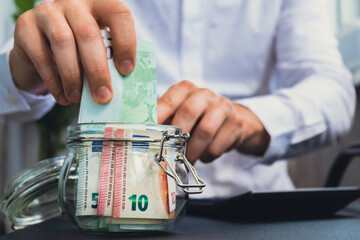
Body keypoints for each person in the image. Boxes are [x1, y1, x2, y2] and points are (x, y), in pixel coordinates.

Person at [0, 0, 355, 198]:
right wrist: (23, 69)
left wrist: (247, 119)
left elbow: (332, 91)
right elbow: (9, 85)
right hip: (109, 209)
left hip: (252, 208)